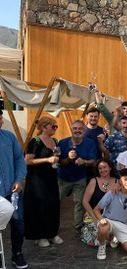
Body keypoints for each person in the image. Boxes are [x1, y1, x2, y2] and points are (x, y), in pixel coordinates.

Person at [24, 116, 62, 248]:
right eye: (53, 126)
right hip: (37, 179)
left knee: (53, 204)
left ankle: (52, 233)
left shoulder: (55, 141)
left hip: (51, 177)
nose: (55, 129)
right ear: (44, 127)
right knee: (40, 205)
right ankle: (40, 235)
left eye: (56, 126)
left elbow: (57, 157)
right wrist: (47, 160)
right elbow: (28, 160)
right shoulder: (35, 141)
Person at [93, 168, 127, 260]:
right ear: (120, 180)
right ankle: (102, 246)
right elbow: (96, 209)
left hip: (123, 224)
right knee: (104, 227)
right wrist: (101, 219)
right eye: (125, 179)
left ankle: (117, 238)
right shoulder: (112, 192)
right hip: (109, 221)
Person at [58, 120, 98, 232]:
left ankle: (78, 227)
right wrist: (68, 159)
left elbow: (93, 161)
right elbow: (60, 162)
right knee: (56, 201)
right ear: (71, 129)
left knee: (79, 202)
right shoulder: (62, 143)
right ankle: (53, 225)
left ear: (84, 130)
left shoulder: (89, 143)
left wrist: (84, 161)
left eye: (80, 128)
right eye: (75, 128)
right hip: (63, 178)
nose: (77, 130)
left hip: (80, 178)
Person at [0, 109, 28, 268]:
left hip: (13, 191)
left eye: (0, 118)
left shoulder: (9, 137)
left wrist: (19, 180)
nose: (1, 121)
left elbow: (19, 160)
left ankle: (17, 253)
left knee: (18, 223)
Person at [80, 160, 117, 247]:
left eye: (105, 167)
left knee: (108, 235)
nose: (102, 170)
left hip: (112, 216)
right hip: (94, 215)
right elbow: (85, 201)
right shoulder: (93, 181)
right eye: (100, 168)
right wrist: (95, 218)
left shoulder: (117, 181)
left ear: (110, 168)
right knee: (99, 239)